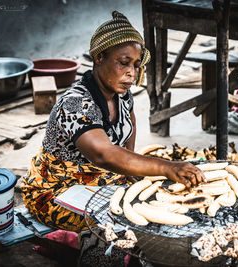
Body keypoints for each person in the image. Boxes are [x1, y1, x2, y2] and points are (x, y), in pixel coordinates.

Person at [21, 11, 204, 233]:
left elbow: (130, 120)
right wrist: (167, 167)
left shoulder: (121, 93)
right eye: (124, 63)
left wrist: (129, 166)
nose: (132, 73)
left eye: (136, 65)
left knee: (158, 199)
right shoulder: (75, 104)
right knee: (120, 222)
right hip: (57, 190)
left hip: (100, 178)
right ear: (99, 58)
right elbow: (103, 154)